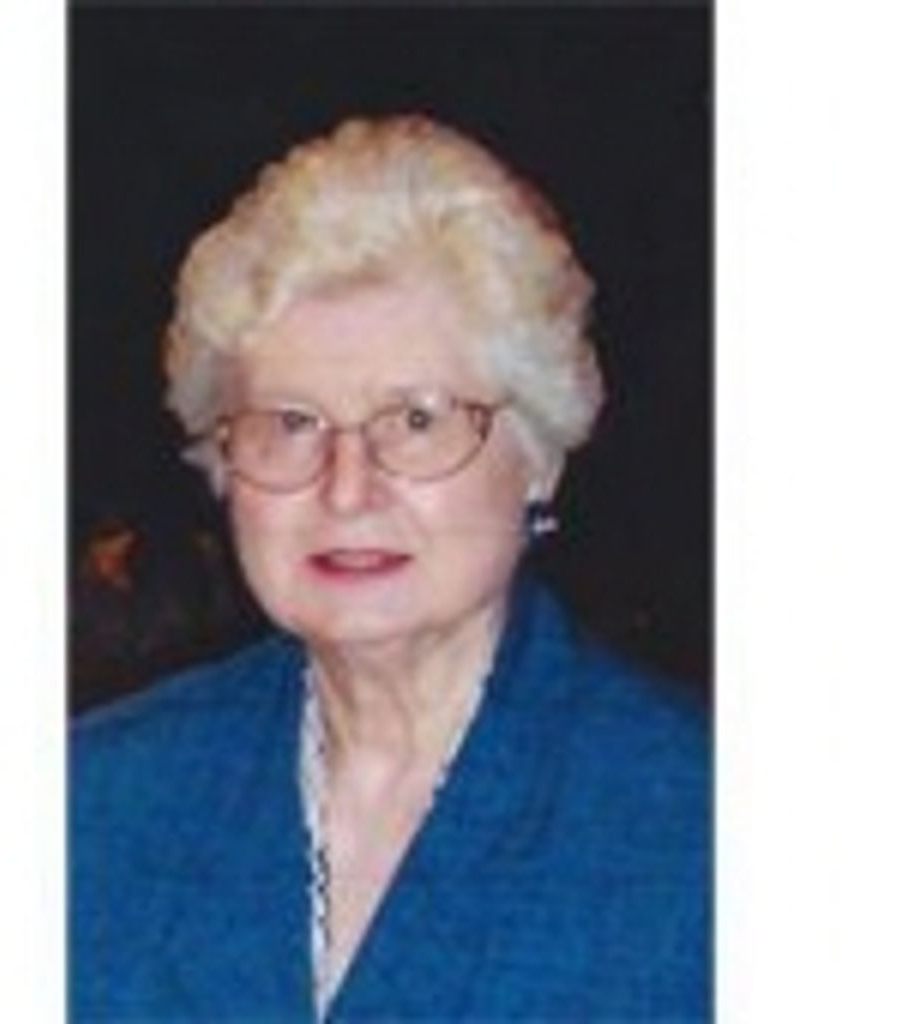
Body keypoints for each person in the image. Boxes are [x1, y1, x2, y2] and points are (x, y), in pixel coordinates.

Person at [70, 115, 710, 1022]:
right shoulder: (95, 798)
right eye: (292, 423)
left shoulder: (696, 826)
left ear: (538, 455)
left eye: (416, 420)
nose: (346, 488)